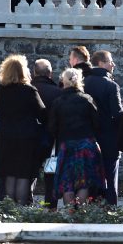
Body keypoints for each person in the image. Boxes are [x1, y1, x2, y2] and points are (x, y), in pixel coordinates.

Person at [49, 68, 105, 205]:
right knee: (84, 182)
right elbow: (97, 123)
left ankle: (70, 214)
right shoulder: (87, 99)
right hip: (86, 145)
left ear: (63, 81)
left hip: (66, 145)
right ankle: (80, 214)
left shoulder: (58, 102)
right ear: (79, 81)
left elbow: (52, 127)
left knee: (67, 182)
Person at [0, 55, 46, 204]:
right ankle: (21, 209)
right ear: (23, 71)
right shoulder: (29, 90)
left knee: (10, 174)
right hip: (26, 138)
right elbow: (42, 114)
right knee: (23, 174)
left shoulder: (1, 89)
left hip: (6, 137)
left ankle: (10, 210)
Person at [83, 50, 123, 205]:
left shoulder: (84, 82)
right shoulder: (111, 85)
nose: (113, 64)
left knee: (90, 177)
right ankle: (110, 210)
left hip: (88, 136)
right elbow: (117, 114)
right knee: (110, 177)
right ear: (100, 63)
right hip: (108, 137)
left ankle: (90, 209)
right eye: (110, 61)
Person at [31, 59, 62, 208]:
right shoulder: (57, 92)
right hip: (52, 138)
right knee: (51, 174)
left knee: (29, 173)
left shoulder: (28, 89)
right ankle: (50, 206)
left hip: (30, 137)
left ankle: (27, 205)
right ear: (50, 73)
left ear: (34, 73)